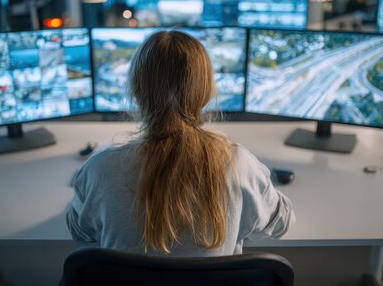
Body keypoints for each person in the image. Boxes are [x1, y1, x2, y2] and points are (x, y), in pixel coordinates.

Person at [67, 30, 294, 256]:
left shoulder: (99, 168)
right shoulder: (237, 163)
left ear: (136, 93)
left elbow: (80, 232)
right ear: (205, 94)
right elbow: (281, 223)